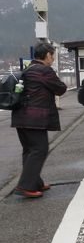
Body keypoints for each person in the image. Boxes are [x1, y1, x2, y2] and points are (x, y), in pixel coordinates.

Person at [11, 42, 67, 198]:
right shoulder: (44, 71)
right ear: (48, 55)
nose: (53, 59)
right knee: (39, 149)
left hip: (20, 117)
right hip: (34, 119)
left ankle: (35, 183)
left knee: (29, 151)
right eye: (53, 55)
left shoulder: (28, 69)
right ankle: (25, 186)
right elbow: (61, 89)